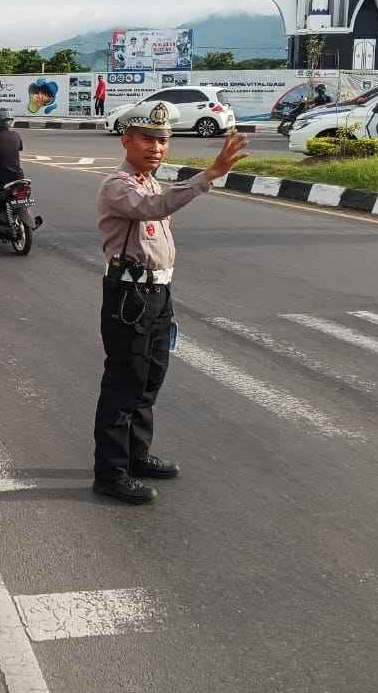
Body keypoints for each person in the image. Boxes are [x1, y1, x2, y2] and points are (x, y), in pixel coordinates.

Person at [92, 102, 249, 505]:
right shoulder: (118, 185)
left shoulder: (149, 183)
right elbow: (154, 209)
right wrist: (209, 174)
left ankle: (136, 455)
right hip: (129, 297)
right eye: (147, 139)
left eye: (163, 141)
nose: (157, 147)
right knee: (124, 383)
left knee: (150, 378)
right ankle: (110, 473)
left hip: (157, 294)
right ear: (126, 141)